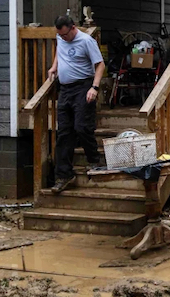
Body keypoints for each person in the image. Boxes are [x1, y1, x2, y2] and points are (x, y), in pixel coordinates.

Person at [47, 16, 106, 194]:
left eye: (65, 35)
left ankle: (94, 160)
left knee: (81, 127)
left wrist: (94, 88)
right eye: (60, 35)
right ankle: (64, 175)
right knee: (64, 133)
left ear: (73, 28)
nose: (63, 38)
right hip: (65, 89)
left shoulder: (86, 41)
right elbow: (60, 49)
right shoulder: (60, 37)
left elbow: (100, 64)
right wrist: (54, 66)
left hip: (83, 87)